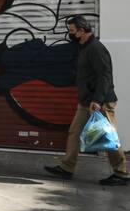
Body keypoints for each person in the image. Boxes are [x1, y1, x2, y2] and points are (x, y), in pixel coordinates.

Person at [44, 15, 129, 186]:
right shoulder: (84, 46)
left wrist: (97, 100)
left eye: (72, 31)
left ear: (82, 31)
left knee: (108, 137)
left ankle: (121, 174)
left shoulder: (95, 49)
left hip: (101, 102)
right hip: (86, 101)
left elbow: (104, 76)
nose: (70, 34)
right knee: (75, 132)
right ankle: (67, 168)